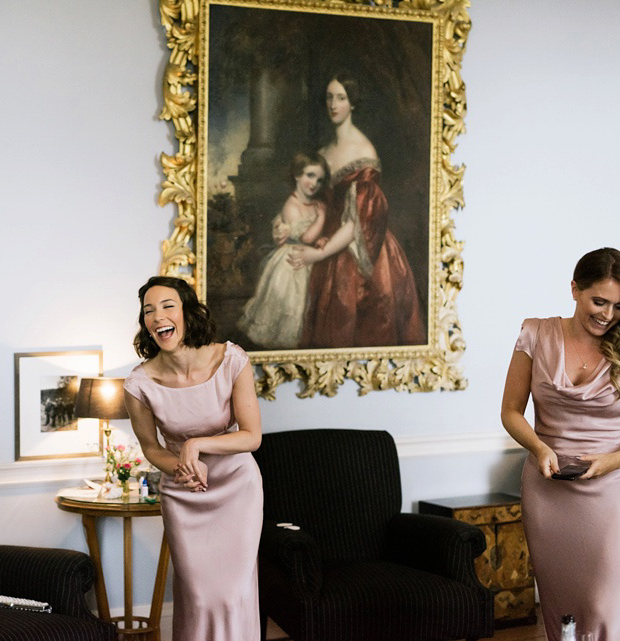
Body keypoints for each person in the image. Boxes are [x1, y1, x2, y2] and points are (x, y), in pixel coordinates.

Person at [500, 247, 620, 641]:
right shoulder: (535, 334)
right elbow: (511, 412)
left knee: (605, 607)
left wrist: (611, 461)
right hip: (548, 492)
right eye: (599, 301)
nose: (607, 315)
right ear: (574, 289)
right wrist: (539, 449)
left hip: (612, 496)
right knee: (561, 607)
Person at [123, 276, 263, 641]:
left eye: (167, 305)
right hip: (184, 494)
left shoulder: (231, 359)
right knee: (200, 598)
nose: (158, 316)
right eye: (148, 311)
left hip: (237, 488)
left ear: (186, 312)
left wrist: (195, 445)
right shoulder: (139, 383)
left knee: (233, 596)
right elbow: (151, 448)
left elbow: (252, 436)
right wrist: (181, 465)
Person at [289, 70, 425, 348]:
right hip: (325, 242)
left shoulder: (364, 151)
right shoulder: (323, 153)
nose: (334, 105)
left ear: (353, 103)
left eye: (341, 98)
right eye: (329, 98)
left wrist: (318, 254)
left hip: (359, 248)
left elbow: (359, 221)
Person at [237, 153, 328, 349]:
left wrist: (321, 238)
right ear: (297, 175)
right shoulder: (291, 204)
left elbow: (312, 238)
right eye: (310, 176)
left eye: (320, 180)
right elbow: (305, 238)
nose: (315, 184)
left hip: (307, 257)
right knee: (291, 304)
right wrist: (321, 219)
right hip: (291, 261)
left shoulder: (314, 204)